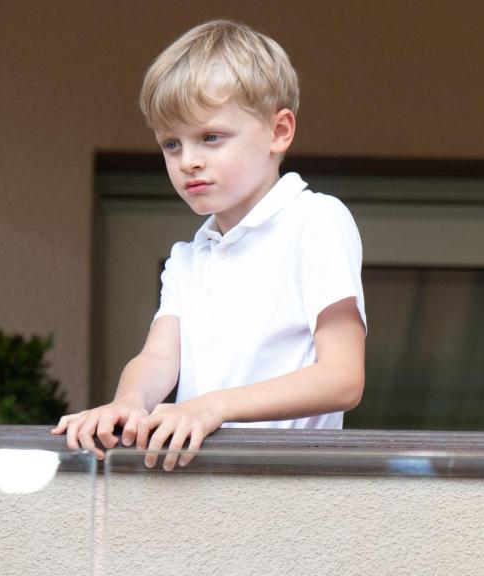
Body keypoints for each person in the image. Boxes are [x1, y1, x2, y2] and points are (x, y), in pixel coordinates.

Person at [52, 19, 366, 469]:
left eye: (211, 138)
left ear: (279, 131)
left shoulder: (314, 220)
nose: (189, 161)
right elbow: (159, 356)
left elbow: (342, 378)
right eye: (171, 144)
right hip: (199, 495)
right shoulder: (187, 258)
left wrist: (212, 405)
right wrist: (128, 401)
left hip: (289, 493)